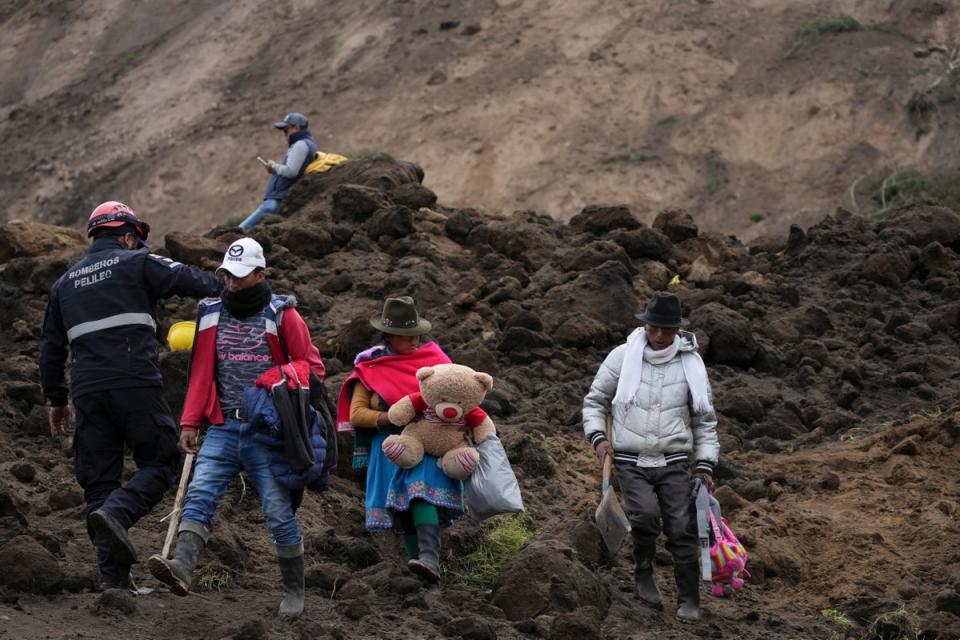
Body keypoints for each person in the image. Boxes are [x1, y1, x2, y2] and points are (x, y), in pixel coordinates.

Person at [38, 201, 221, 591]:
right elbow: (195, 281)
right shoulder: (137, 262)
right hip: (134, 380)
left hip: (86, 390)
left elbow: (50, 348)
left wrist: (55, 399)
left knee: (99, 481)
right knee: (164, 460)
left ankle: (115, 585)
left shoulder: (64, 284)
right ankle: (119, 513)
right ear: (127, 235)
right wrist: (232, 288)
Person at [147, 237, 325, 618]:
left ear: (261, 274)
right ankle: (181, 566)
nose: (232, 284)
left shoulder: (283, 315)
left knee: (277, 512)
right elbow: (201, 372)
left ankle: (295, 590)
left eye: (241, 277)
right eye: (227, 275)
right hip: (223, 426)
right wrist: (191, 420)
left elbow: (312, 368)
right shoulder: (210, 313)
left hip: (267, 429)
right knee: (199, 494)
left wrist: (271, 381)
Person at [581, 291, 720, 622]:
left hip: (673, 461)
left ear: (677, 331)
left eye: (666, 330)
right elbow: (596, 400)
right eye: (653, 328)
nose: (658, 336)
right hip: (630, 459)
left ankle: (688, 598)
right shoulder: (622, 356)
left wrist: (704, 464)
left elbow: (705, 421)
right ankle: (643, 573)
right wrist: (598, 438)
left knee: (681, 526)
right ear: (645, 325)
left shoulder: (692, 366)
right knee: (644, 517)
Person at [336, 296, 483, 587]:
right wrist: (390, 418)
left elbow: (455, 394)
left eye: (416, 333)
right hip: (390, 447)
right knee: (402, 513)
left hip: (428, 443)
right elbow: (357, 414)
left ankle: (430, 559)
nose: (414, 340)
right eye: (406, 336)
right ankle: (423, 572)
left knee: (420, 495)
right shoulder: (372, 367)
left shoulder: (436, 361)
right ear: (389, 336)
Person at [238, 112, 317, 232]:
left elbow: (291, 171)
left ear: (296, 127)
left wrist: (274, 167)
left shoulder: (301, 144)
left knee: (239, 231)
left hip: (275, 201)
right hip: (277, 199)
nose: (284, 134)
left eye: (286, 130)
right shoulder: (305, 143)